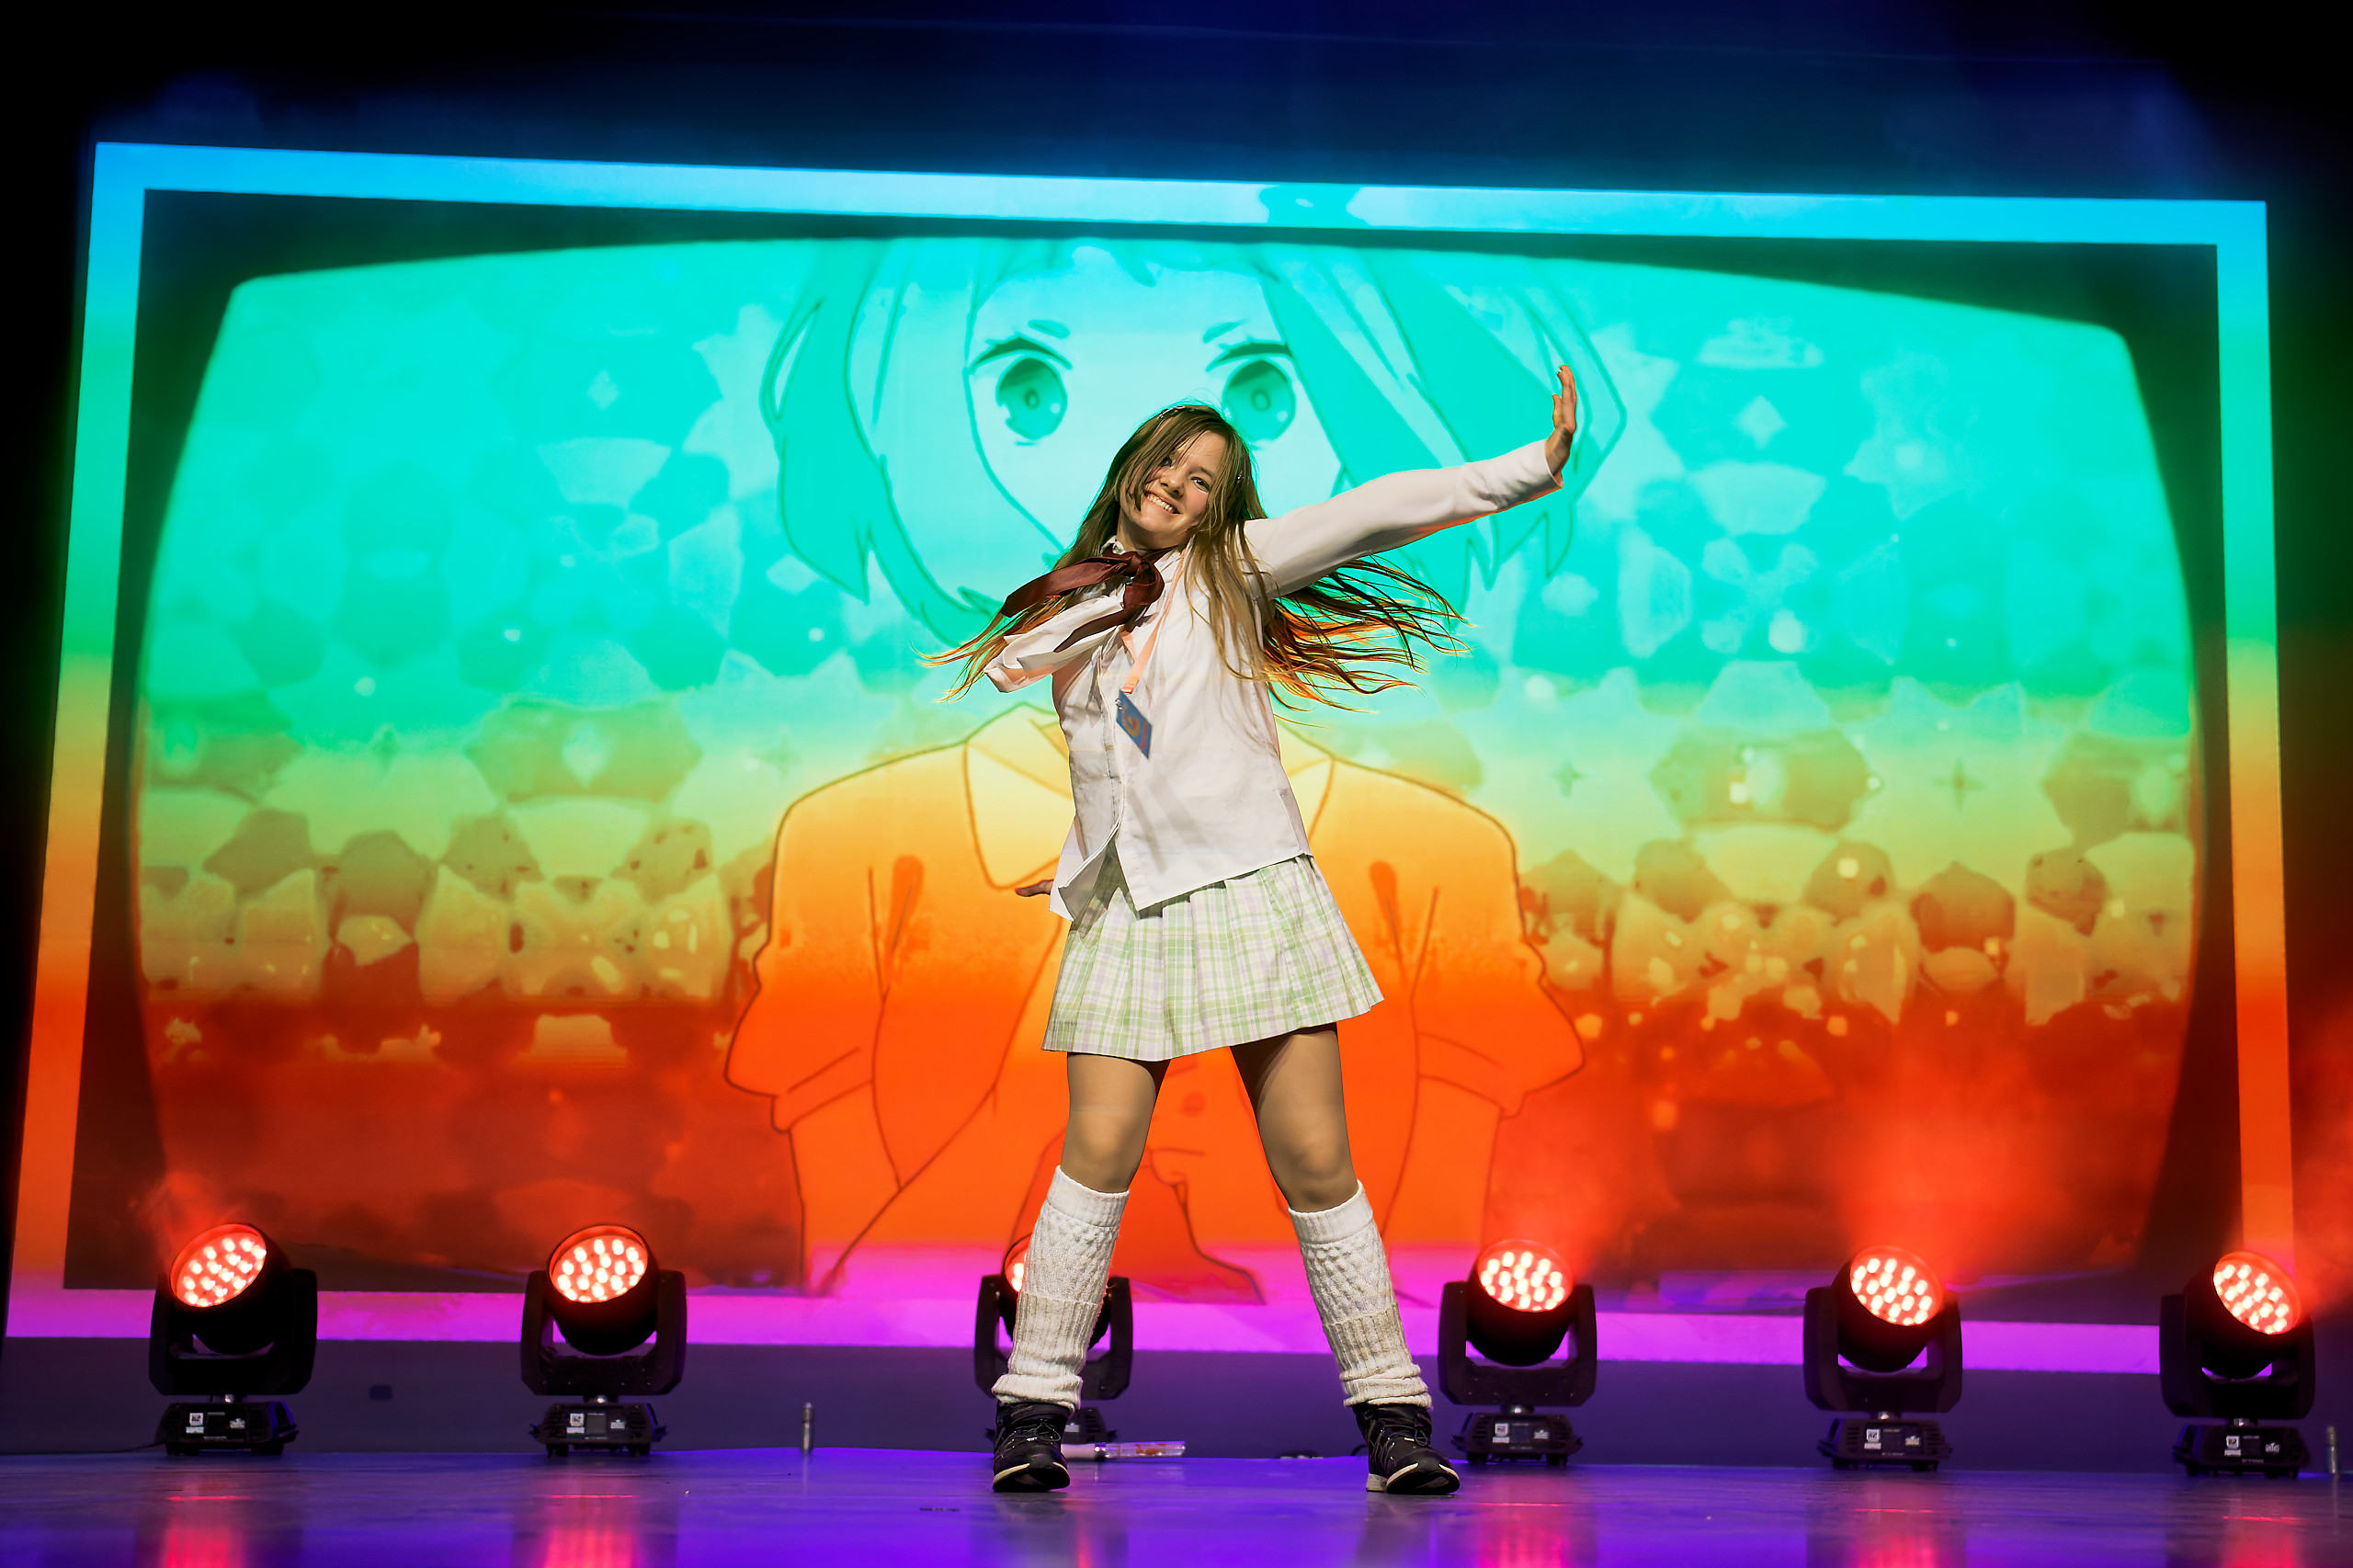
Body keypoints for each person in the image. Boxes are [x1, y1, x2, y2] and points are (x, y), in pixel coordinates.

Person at [940, 367, 1580, 1494]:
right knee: (1096, 1156)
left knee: (1317, 1161)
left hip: (1248, 888)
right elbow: (1112, 750)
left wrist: (1526, 469)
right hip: (1129, 901)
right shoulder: (1070, 605)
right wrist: (1086, 852)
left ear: (1218, 510)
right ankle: (1031, 1412)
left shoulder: (1227, 571)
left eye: (1203, 480)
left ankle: (1394, 1418)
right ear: (1129, 470)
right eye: (1166, 462)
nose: (1177, 485)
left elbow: (1375, 508)